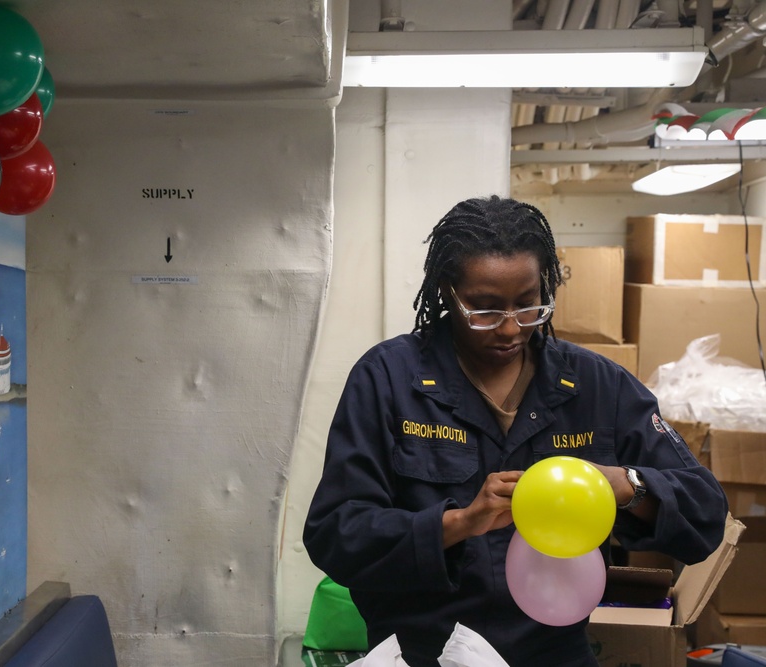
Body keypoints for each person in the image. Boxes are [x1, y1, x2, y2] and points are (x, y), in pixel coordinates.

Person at [302, 195, 728, 667]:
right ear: (447, 291)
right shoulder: (388, 378)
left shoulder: (596, 385)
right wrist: (457, 523)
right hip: (423, 653)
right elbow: (335, 534)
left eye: (528, 307)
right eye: (484, 310)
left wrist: (627, 485)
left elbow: (705, 513)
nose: (509, 329)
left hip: (553, 654)